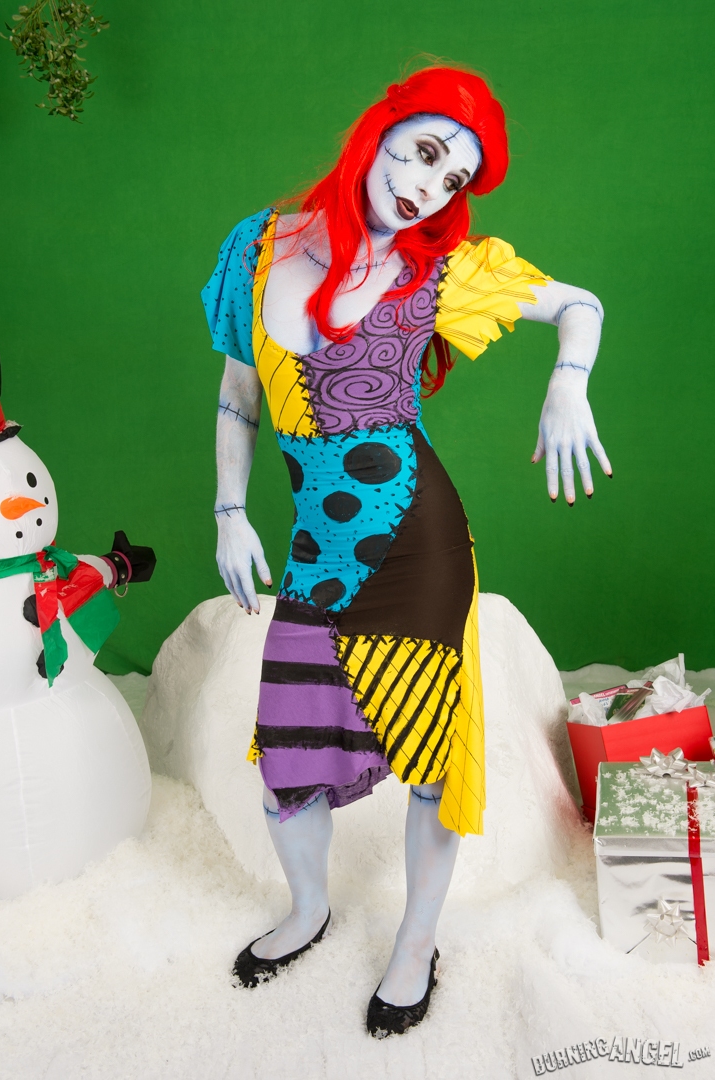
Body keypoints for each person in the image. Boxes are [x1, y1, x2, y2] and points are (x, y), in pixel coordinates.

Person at [202, 65, 610, 1037]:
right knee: (288, 758)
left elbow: (578, 303)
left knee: (430, 759)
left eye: (452, 177)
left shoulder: (440, 270)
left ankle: (416, 942)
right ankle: (307, 909)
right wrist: (228, 510)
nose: (429, 187)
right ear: (377, 132)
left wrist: (568, 382)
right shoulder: (256, 247)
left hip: (416, 543)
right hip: (315, 550)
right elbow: (238, 391)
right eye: (423, 153)